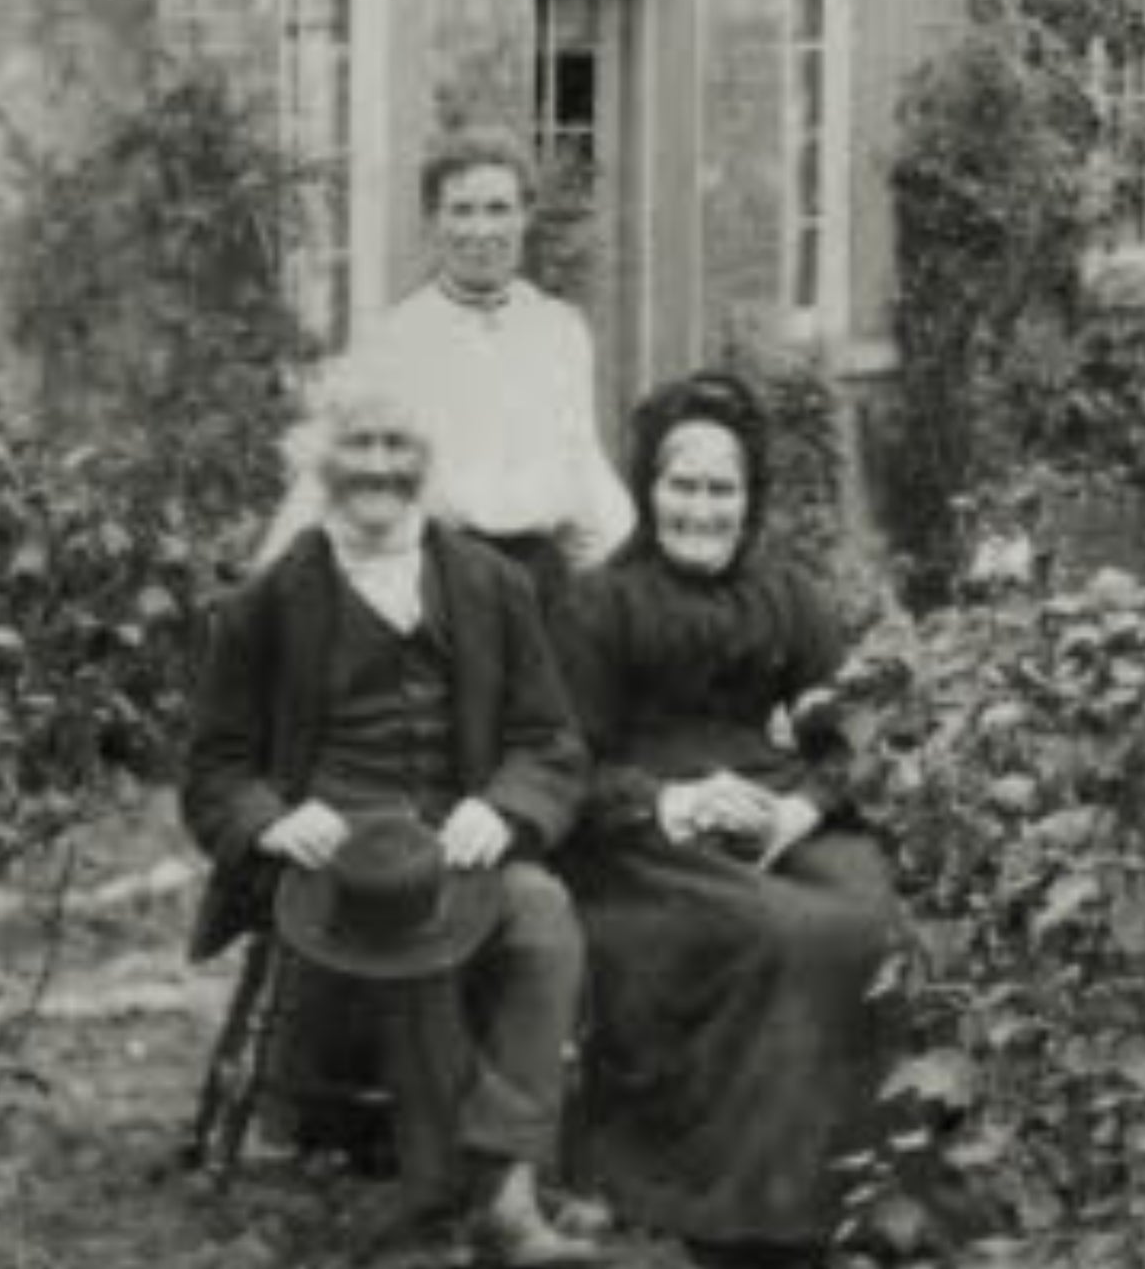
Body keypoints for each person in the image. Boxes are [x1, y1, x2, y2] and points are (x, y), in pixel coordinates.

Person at [182, 372, 600, 1266]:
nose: (378, 469)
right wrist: (268, 819)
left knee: (546, 917)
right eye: (358, 446)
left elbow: (552, 742)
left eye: (397, 448)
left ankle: (501, 1178)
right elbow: (214, 768)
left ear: (425, 464)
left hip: (458, 841)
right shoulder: (268, 603)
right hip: (333, 859)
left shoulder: (490, 584)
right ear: (318, 463)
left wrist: (505, 805)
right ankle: (481, 1197)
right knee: (397, 920)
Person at [553, 372, 902, 1267]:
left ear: (750, 499)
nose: (701, 509)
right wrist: (670, 803)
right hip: (642, 842)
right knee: (778, 932)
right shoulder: (599, 604)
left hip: (770, 807)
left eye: (722, 489)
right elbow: (566, 765)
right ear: (647, 489)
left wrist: (800, 809)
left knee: (874, 918)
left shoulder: (786, 596)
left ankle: (867, 1188)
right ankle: (756, 1208)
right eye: (683, 485)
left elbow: (851, 730)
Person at [258, 127, 634, 595]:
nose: (481, 231)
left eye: (498, 209)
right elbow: (329, 467)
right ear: (434, 221)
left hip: (542, 576)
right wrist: (265, 583)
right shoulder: (395, 339)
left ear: (525, 216)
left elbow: (582, 461)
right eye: (462, 211)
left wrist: (630, 572)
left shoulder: (561, 330)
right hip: (445, 580)